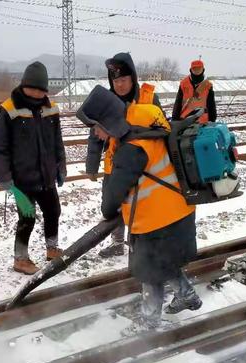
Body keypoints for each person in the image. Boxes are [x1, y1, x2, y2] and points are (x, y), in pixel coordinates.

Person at [77, 85, 202, 330]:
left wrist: (108, 210)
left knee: (150, 273)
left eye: (96, 128)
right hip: (177, 211)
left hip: (154, 222)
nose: (96, 135)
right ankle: (188, 296)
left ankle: (148, 324)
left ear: (108, 122)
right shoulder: (146, 126)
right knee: (166, 263)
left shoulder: (131, 149)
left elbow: (113, 196)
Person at [86, 52, 164, 258]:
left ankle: (137, 242)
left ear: (133, 79)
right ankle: (117, 242)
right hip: (114, 164)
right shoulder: (107, 101)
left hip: (143, 165)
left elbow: (162, 131)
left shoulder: (149, 99)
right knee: (112, 205)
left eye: (123, 80)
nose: (119, 85)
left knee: (140, 204)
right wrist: (91, 165)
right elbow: (95, 135)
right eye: (115, 80)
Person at [0, 61, 67, 275]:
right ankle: (20, 259)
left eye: (40, 89)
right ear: (24, 85)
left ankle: (52, 248)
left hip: (46, 176)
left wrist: (61, 167)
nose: (36, 93)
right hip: (21, 181)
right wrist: (5, 178)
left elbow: (57, 141)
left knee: (54, 211)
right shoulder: (8, 109)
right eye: (32, 88)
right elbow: (0, 148)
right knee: (27, 217)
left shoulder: (50, 109)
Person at [172, 59, 217, 124]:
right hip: (185, 120)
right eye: (195, 69)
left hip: (202, 121)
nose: (197, 71)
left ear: (203, 70)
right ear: (191, 70)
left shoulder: (208, 85)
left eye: (199, 69)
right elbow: (178, 102)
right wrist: (175, 119)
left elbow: (211, 104)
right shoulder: (184, 83)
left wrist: (212, 119)